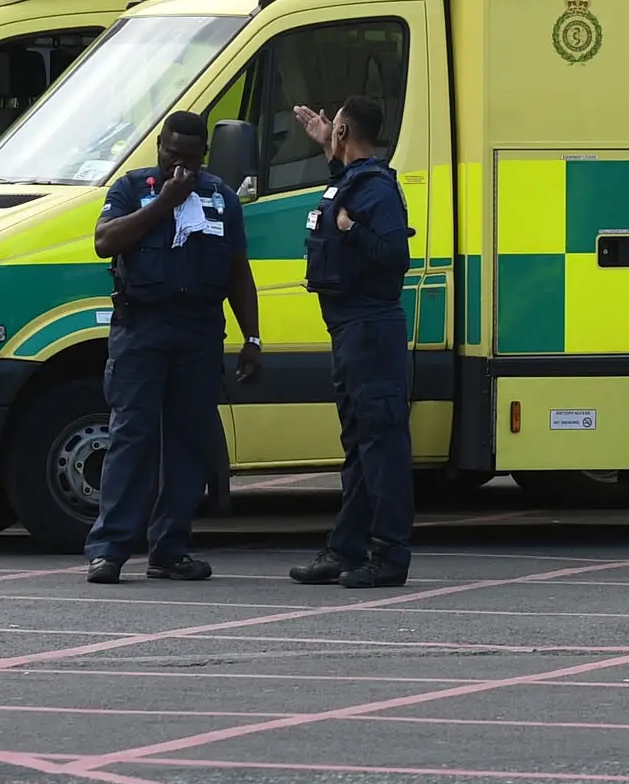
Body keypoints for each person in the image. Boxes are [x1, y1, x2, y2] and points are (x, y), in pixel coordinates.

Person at [85, 109, 261, 582]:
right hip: (142, 329)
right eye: (170, 154)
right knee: (131, 439)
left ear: (203, 155)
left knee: (187, 443)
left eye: (188, 157)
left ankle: (170, 549)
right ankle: (110, 550)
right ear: (158, 146)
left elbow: (237, 271)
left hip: (199, 332)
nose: (177, 166)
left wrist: (252, 336)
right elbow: (105, 241)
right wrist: (163, 203)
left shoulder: (222, 198)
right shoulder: (130, 189)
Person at [287, 96, 415, 590]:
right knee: (360, 447)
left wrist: (352, 229)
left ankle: (389, 556)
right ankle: (345, 549)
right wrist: (327, 147)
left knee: (382, 447)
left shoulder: (377, 190)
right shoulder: (349, 178)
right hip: (349, 331)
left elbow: (394, 256)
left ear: (345, 131)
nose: (328, 131)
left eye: (333, 126)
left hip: (370, 328)